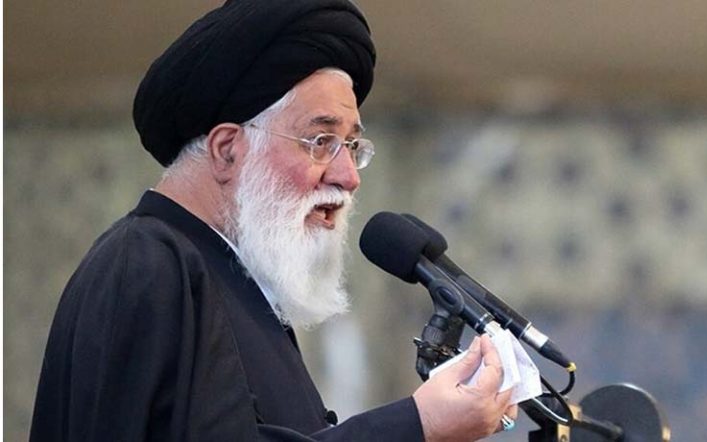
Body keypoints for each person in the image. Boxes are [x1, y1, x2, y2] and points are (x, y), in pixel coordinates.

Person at [30, 0, 518, 440]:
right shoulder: (146, 264)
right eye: (321, 141)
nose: (348, 177)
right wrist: (416, 425)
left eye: (352, 146)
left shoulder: (228, 281)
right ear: (227, 150)